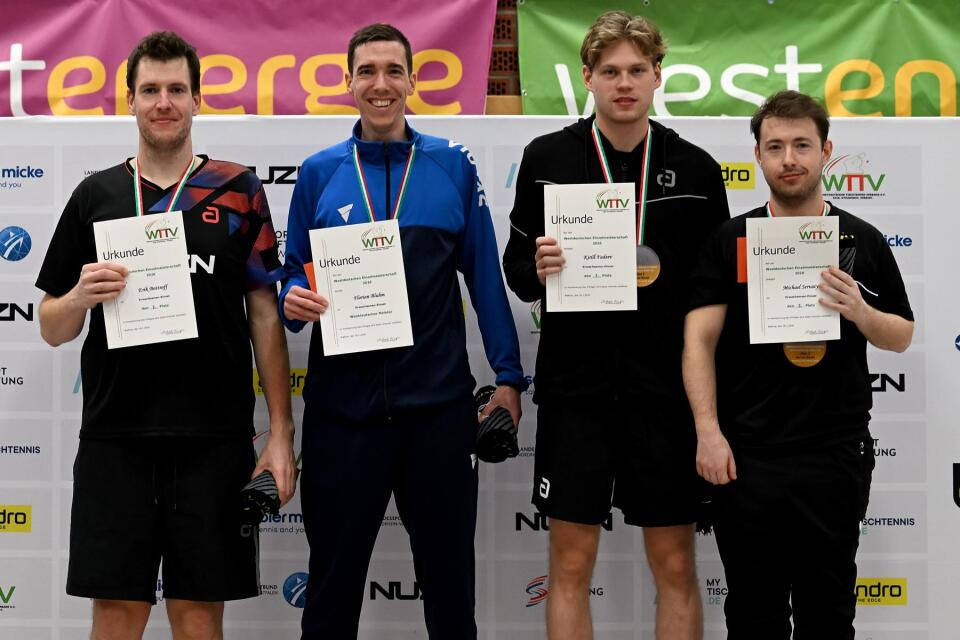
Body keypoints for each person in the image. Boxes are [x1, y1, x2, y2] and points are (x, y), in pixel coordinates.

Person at [35, 31, 296, 640]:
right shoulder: (95, 194)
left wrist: (280, 433)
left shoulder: (238, 189)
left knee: (199, 618)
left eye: (177, 89)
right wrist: (78, 296)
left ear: (198, 98)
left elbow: (264, 314)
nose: (163, 102)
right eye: (150, 89)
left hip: (214, 440)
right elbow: (51, 325)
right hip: (115, 440)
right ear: (129, 100)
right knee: (116, 617)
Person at [279, 23, 526, 640]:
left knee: (450, 596)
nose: (381, 84)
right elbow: (287, 279)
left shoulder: (451, 165)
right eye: (367, 71)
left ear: (414, 81)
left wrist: (508, 377)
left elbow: (485, 279)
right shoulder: (317, 173)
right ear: (347, 83)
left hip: (437, 415)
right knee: (331, 596)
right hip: (342, 418)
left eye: (394, 71)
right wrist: (291, 300)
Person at [502, 11, 730, 640]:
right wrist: (539, 264)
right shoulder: (545, 156)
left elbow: (716, 296)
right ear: (587, 77)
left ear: (659, 76)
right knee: (570, 563)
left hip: (665, 397)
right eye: (610, 72)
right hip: (577, 393)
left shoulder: (698, 169)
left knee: (675, 564)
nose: (623, 83)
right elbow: (516, 270)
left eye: (636, 70)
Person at [682, 90, 914, 639]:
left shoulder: (861, 239)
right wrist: (708, 433)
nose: (790, 159)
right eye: (776, 146)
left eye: (802, 145)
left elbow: (901, 335)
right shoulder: (729, 239)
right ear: (758, 158)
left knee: (828, 613)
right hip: (747, 456)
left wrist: (860, 310)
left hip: (833, 455)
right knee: (754, 615)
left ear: (825, 150)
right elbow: (698, 342)